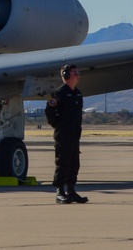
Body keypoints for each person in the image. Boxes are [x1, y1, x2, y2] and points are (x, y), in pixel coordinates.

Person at [45, 64, 88, 204]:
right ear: (66, 76)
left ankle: (71, 190)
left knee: (74, 163)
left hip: (75, 135)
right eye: (74, 73)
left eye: (78, 72)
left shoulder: (78, 93)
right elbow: (50, 112)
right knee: (62, 163)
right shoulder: (59, 94)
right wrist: (58, 125)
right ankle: (60, 191)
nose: (78, 75)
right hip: (63, 135)